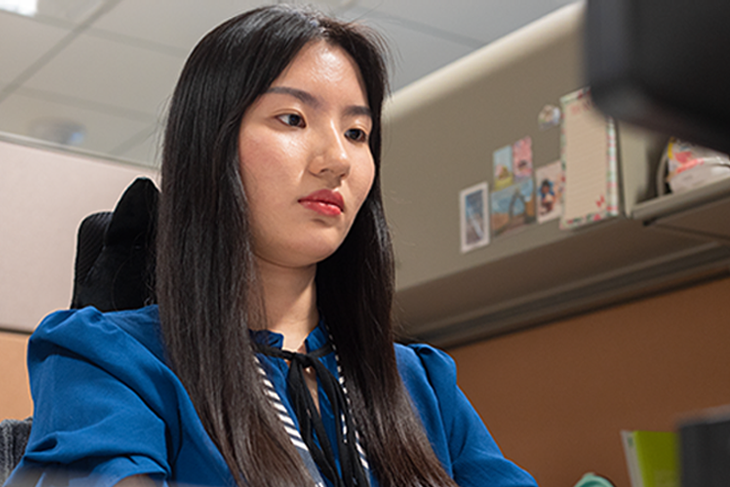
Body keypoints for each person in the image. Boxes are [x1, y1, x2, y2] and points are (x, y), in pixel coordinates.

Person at [6, 5, 538, 487]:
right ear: (211, 148)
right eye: (293, 119)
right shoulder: (107, 359)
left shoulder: (419, 382)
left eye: (357, 132)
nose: (337, 158)